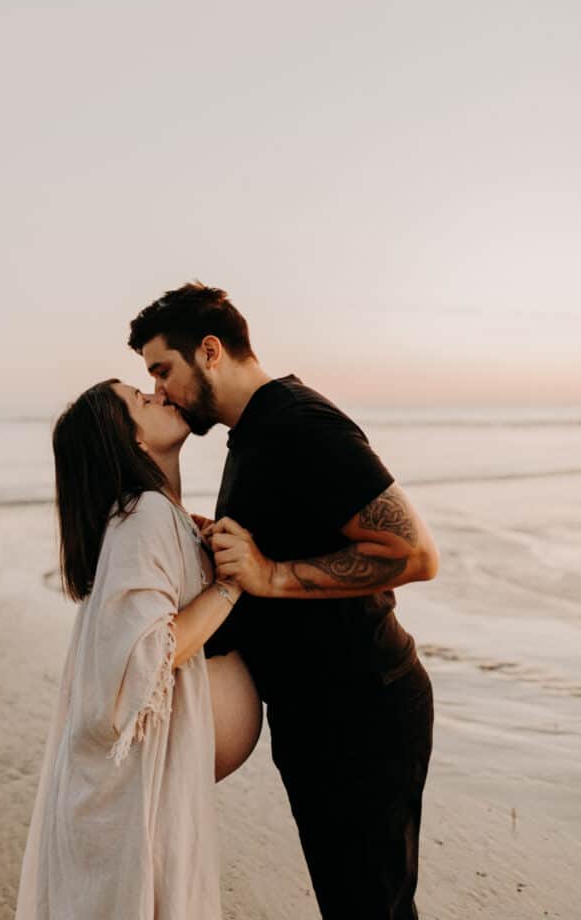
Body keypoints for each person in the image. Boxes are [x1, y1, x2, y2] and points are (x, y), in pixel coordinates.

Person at [128, 284, 441, 920]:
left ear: (209, 351)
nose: (160, 391)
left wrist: (272, 574)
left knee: (370, 908)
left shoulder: (298, 421)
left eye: (163, 370)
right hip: (318, 713)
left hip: (364, 707)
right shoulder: (252, 434)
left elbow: (414, 552)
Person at [15, 379, 262, 920]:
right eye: (139, 401)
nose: (158, 394)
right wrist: (233, 583)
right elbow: (146, 655)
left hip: (153, 786)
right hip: (139, 800)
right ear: (130, 442)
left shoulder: (154, 516)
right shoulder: (143, 516)